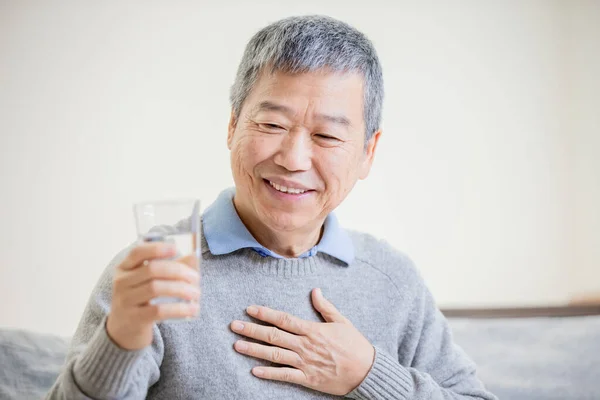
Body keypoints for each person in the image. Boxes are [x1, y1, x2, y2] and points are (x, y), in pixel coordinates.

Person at [47, 15, 497, 400]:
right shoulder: (159, 268)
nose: (293, 159)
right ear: (232, 126)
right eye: (271, 124)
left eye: (327, 136)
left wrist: (368, 374)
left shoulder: (393, 281)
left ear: (367, 153)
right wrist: (121, 337)